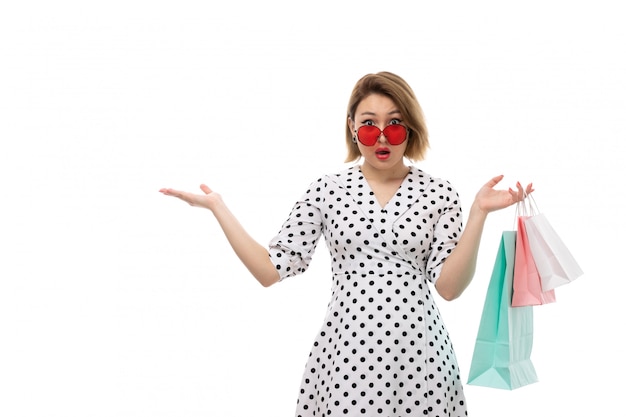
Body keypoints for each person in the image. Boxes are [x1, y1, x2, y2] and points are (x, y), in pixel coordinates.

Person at [160, 71, 533, 416]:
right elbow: (269, 269)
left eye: (395, 124)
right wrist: (218, 208)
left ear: (411, 129)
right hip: (347, 359)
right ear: (352, 129)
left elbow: (449, 288)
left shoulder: (439, 193)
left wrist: (479, 214)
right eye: (369, 124)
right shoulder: (327, 190)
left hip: (422, 359)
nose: (382, 136)